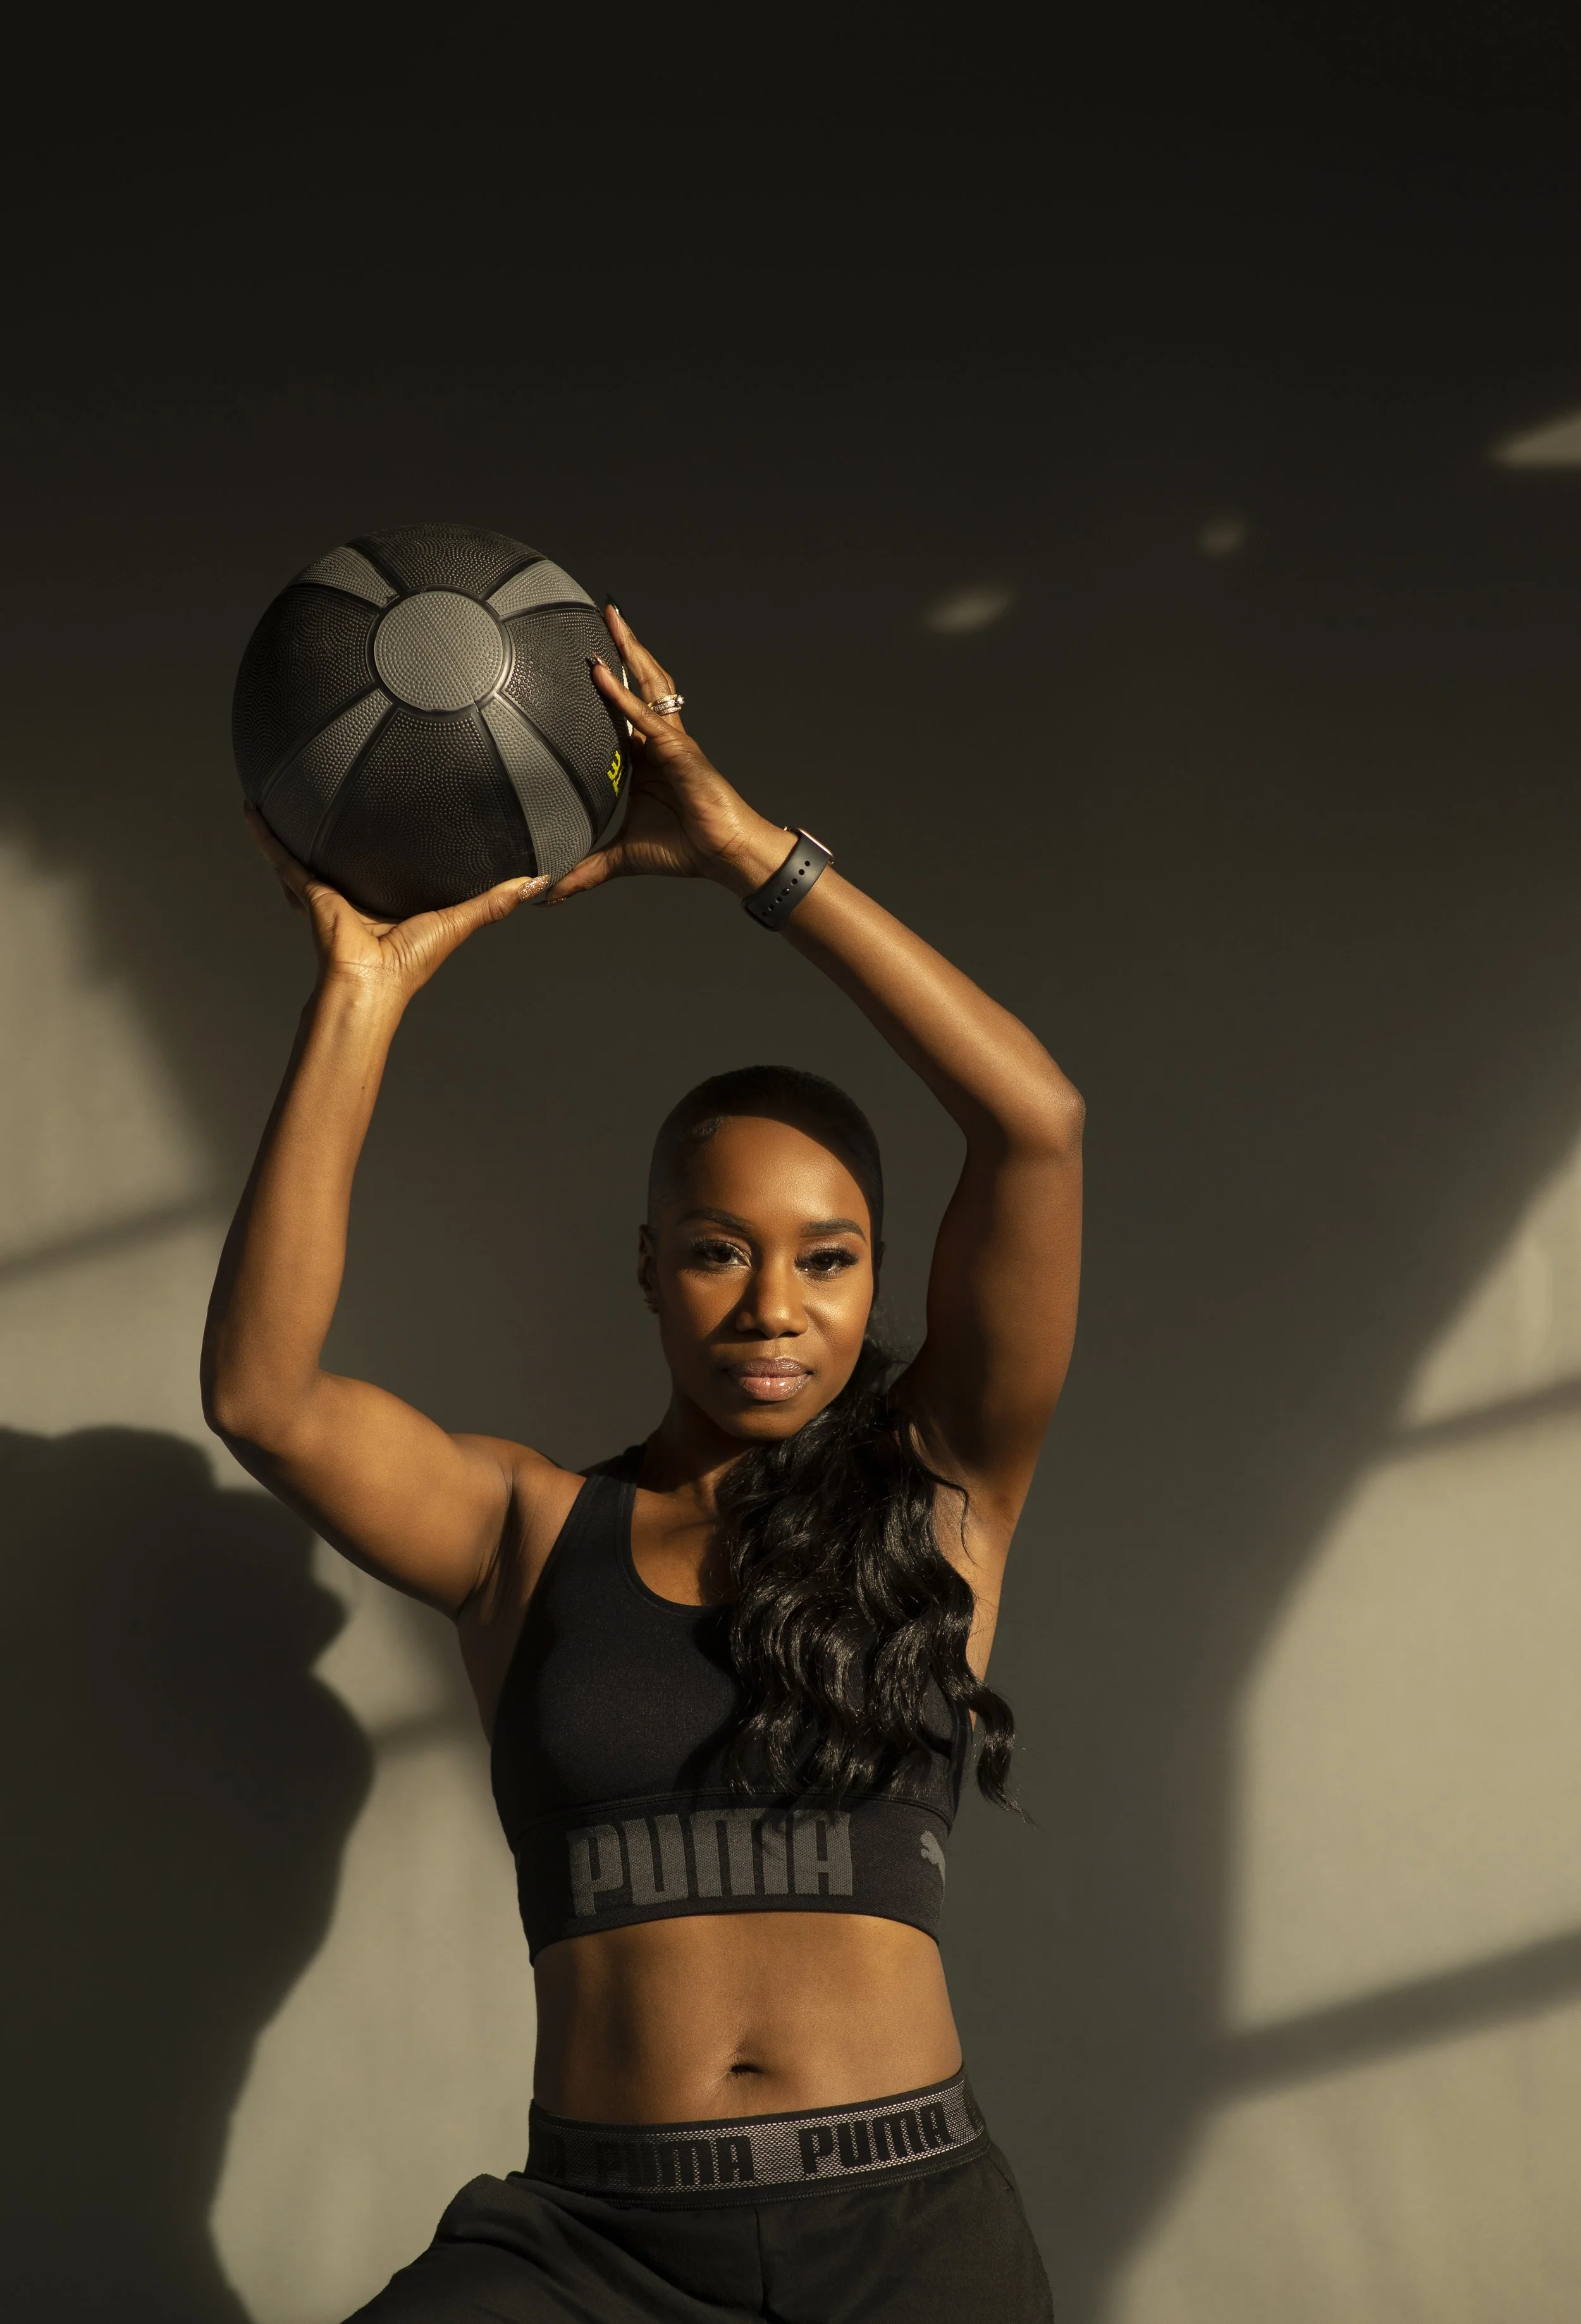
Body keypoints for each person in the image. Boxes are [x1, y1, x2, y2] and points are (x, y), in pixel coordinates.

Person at [202, 604, 1083, 2322]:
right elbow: (264, 1396)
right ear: (648, 1264)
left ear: (878, 1276)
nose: (773, 1305)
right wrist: (364, 992)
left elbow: (1033, 1121)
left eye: (828, 1258)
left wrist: (747, 850)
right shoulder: (523, 1528)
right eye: (716, 1251)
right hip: (589, 2248)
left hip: (905, 2234)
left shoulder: (946, 1489)